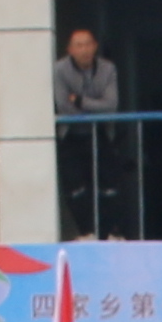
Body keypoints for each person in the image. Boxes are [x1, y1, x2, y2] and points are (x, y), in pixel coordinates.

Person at [52, 21, 124, 235]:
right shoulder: (60, 70)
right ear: (70, 49)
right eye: (78, 45)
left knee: (109, 186)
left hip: (99, 133)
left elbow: (111, 106)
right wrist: (94, 108)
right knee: (75, 189)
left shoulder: (108, 69)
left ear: (95, 46)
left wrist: (81, 102)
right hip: (71, 135)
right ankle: (86, 232)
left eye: (87, 44)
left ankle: (108, 232)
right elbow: (64, 105)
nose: (84, 50)